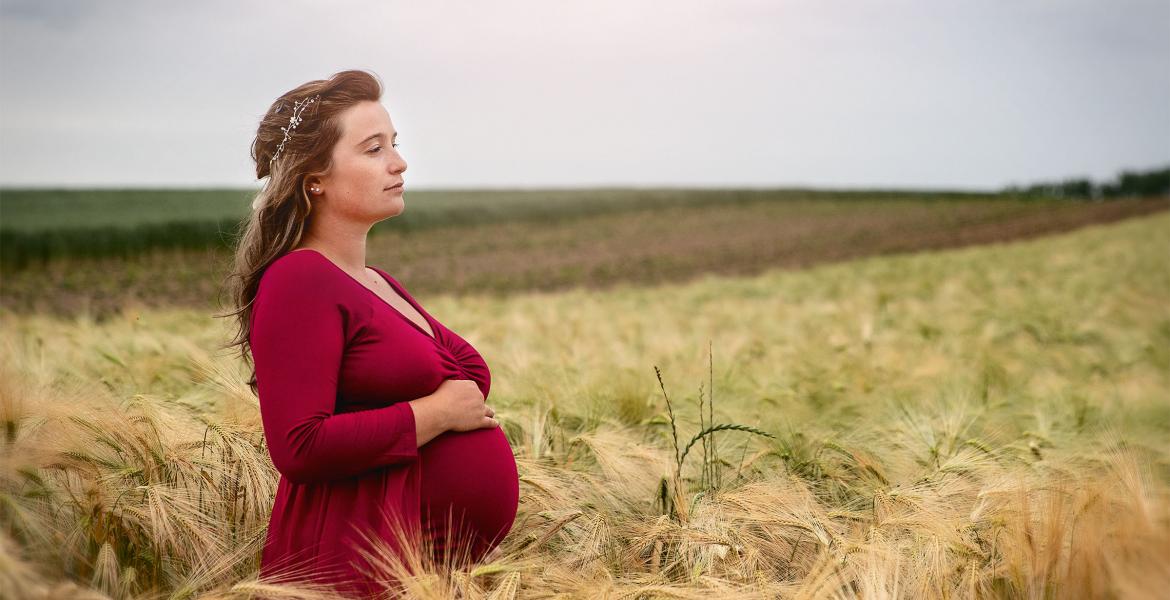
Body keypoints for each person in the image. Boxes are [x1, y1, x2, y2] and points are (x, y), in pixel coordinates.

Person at [220, 69, 519, 597]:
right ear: (315, 176)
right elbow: (299, 447)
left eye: (395, 145)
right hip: (355, 566)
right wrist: (436, 413)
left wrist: (450, 408)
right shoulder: (299, 279)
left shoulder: (378, 283)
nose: (399, 162)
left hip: (419, 574)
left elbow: (467, 382)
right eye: (373, 148)